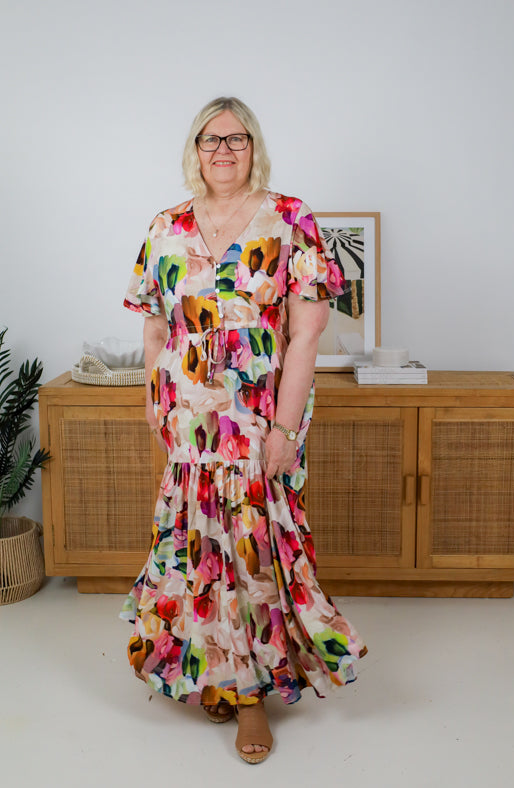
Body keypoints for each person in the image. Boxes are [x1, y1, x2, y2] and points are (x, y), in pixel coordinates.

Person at [119, 96, 367, 764]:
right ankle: (210, 669)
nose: (222, 151)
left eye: (235, 139)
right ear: (193, 150)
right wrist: (153, 396)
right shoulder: (166, 225)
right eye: (209, 139)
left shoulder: (289, 219)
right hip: (188, 421)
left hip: (254, 417)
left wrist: (284, 427)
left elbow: (307, 334)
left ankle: (253, 692)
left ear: (253, 146)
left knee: (252, 554)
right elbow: (152, 326)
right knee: (196, 550)